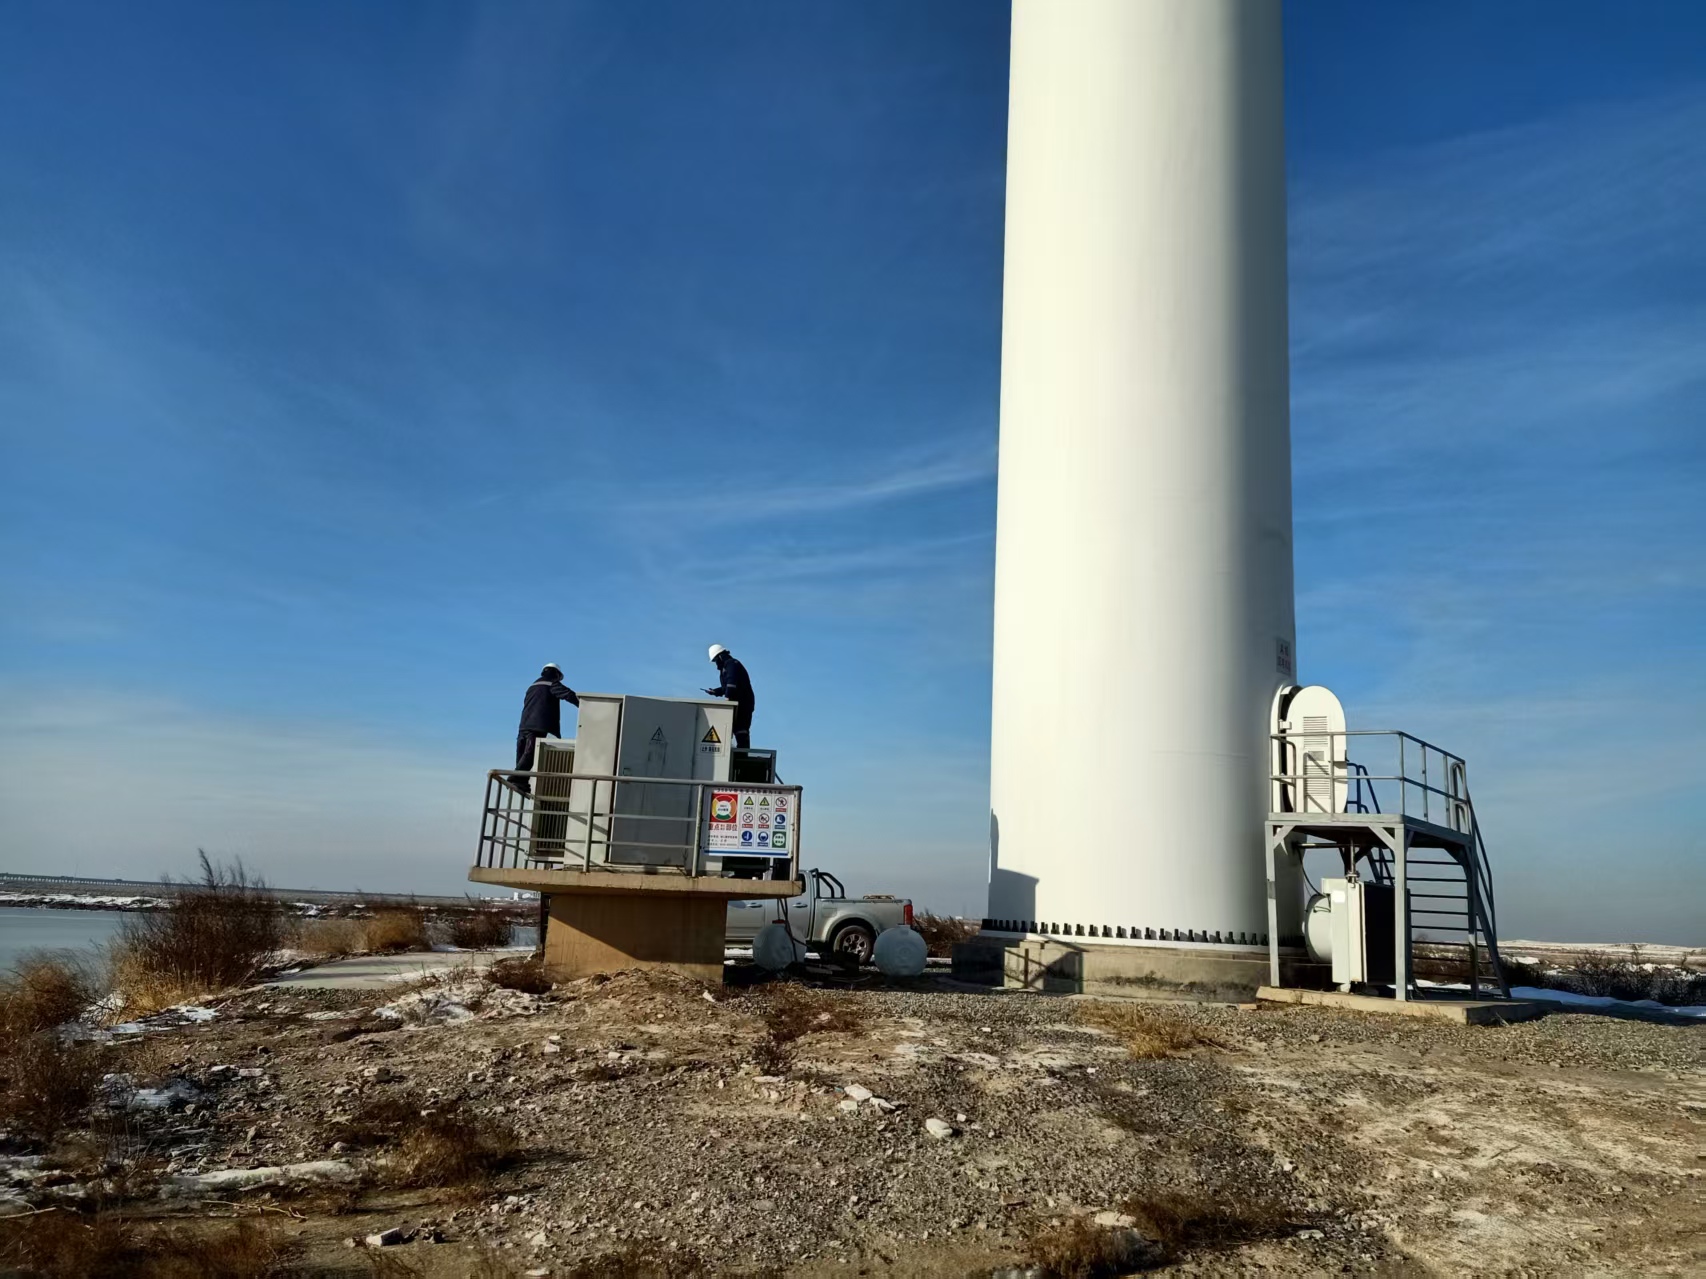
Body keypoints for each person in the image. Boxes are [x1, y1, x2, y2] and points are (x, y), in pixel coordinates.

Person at [515, 662, 579, 793]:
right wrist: (585, 705)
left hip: (524, 725)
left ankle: (521, 782)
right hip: (539, 725)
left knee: (522, 754)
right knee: (531, 753)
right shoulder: (551, 684)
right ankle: (516, 778)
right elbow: (568, 695)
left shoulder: (531, 687)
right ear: (556, 674)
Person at [704, 644, 755, 748]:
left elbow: (731, 684)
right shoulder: (726, 668)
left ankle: (743, 753)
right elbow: (726, 687)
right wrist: (716, 692)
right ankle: (741, 750)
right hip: (739, 703)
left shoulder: (732, 664)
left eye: (715, 660)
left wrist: (727, 700)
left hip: (743, 703)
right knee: (737, 728)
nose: (716, 664)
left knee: (741, 729)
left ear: (720, 657)